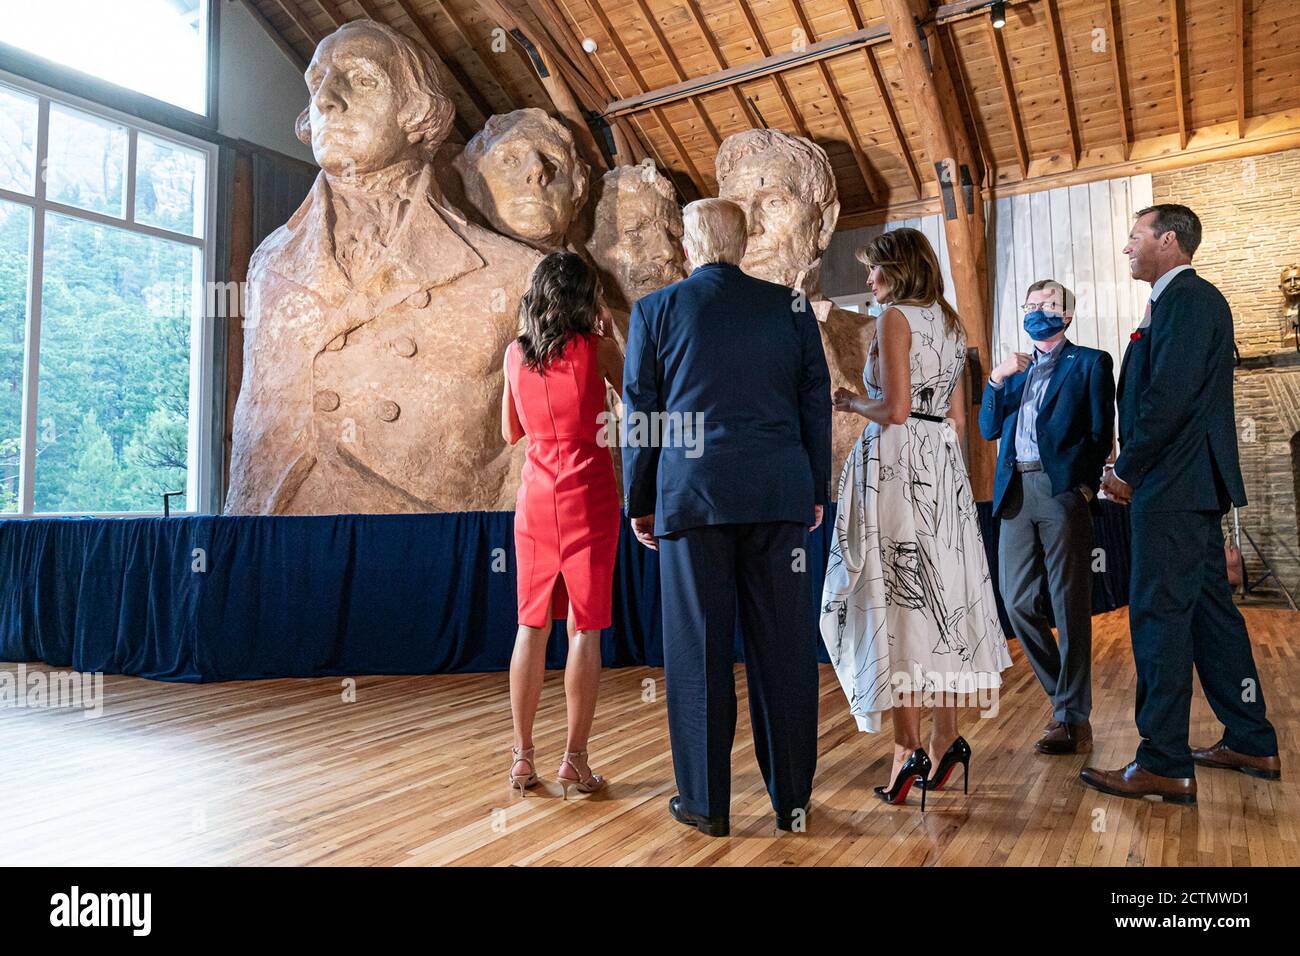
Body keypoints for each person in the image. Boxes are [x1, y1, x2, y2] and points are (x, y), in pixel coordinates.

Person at [623, 198, 831, 837]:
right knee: (785, 651)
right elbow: (814, 401)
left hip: (692, 499)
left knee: (699, 655)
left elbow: (643, 414)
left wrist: (640, 499)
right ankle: (791, 803)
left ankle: (707, 806)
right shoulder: (791, 308)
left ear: (688, 248)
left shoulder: (655, 310)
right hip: (777, 496)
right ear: (744, 245)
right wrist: (814, 488)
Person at [1083, 204, 1281, 803]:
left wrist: (1126, 468)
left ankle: (1164, 761)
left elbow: (1168, 398)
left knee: (1158, 619)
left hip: (1171, 491)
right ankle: (1251, 737)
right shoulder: (1178, 303)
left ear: (1169, 241)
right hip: (1186, 489)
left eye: (1135, 237)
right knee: (1209, 618)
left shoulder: (1191, 301)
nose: (1127, 248)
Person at [820, 227, 1011, 811]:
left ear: (897, 270)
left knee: (894, 601)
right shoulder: (950, 322)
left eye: (875, 269)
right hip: (941, 468)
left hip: (897, 464)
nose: (869, 279)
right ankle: (947, 738)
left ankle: (908, 752)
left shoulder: (894, 319)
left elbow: (896, 409)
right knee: (942, 602)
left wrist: (851, 400)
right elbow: (954, 415)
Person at [501, 252, 624, 799]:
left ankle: (522, 757)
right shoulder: (597, 350)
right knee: (584, 627)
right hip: (589, 499)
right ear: (584, 297)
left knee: (531, 626)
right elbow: (641, 408)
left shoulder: (514, 355)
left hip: (535, 501)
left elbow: (510, 432)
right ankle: (574, 759)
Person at [979, 280, 1114, 756]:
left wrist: (1082, 484)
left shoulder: (1092, 363)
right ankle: (1066, 700)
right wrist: (995, 381)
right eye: (1030, 305)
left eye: (1047, 306)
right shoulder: (1011, 372)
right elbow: (989, 427)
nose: (1037, 312)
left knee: (1067, 603)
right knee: (1015, 601)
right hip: (1015, 491)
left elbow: (1101, 433)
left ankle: (1071, 719)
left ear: (1067, 315)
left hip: (1059, 491)